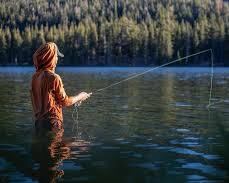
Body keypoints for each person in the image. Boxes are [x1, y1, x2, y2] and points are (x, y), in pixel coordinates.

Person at [30, 42, 91, 133]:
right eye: (56, 56)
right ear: (49, 57)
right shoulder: (54, 78)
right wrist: (80, 97)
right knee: (59, 146)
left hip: (38, 123)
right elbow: (65, 101)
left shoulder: (34, 77)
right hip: (53, 123)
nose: (57, 59)